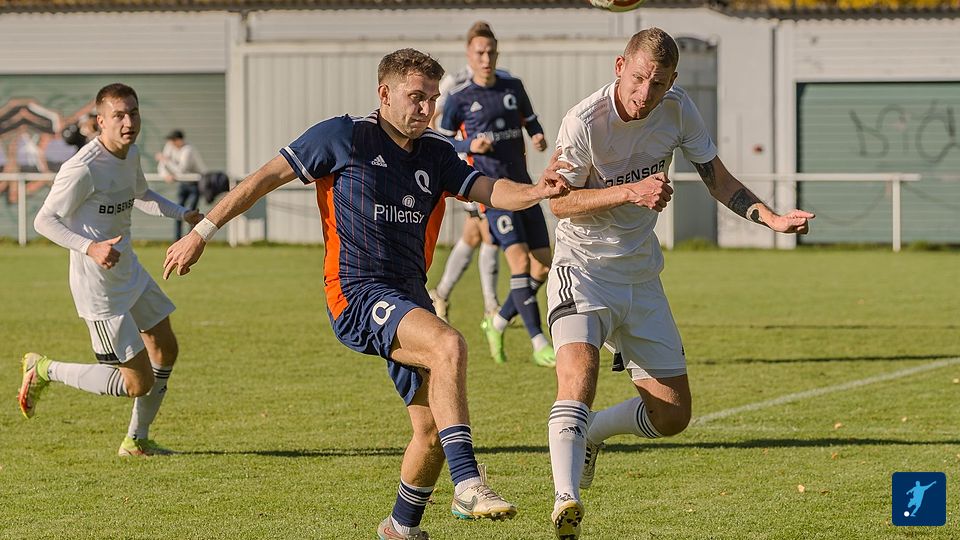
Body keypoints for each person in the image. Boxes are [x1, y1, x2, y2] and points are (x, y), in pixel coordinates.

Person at [161, 48, 567, 540]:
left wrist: (538, 191)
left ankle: (400, 527)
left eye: (432, 99)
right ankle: (468, 483)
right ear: (384, 93)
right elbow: (264, 178)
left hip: (409, 296)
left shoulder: (436, 151)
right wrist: (201, 232)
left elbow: (490, 189)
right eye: (416, 97)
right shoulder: (344, 135)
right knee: (449, 345)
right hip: (356, 292)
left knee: (431, 430)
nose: (426, 109)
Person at [544, 28, 815, 539]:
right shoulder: (584, 121)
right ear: (620, 66)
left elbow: (719, 180)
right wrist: (630, 192)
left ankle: (592, 432)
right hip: (582, 268)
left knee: (672, 415)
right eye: (639, 78)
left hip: (640, 275)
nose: (645, 93)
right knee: (579, 374)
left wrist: (771, 218)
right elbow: (559, 202)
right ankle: (566, 499)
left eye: (658, 83)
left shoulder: (678, 108)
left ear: (672, 81)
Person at [19, 83, 202, 457]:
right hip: (99, 289)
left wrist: (183, 214)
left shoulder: (131, 153)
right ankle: (44, 369)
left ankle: (136, 441)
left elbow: (142, 196)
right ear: (100, 121)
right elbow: (43, 220)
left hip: (129, 271)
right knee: (137, 383)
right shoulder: (82, 168)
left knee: (165, 347)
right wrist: (91, 247)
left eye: (133, 113)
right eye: (118, 115)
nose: (128, 122)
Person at [437, 22, 555, 368]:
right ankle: (538, 342)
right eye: (480, 53)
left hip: (525, 187)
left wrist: (538, 136)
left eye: (490, 52)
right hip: (492, 193)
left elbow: (531, 121)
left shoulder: (512, 87)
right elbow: (441, 142)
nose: (486, 59)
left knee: (542, 266)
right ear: (469, 54)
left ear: (497, 52)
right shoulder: (458, 98)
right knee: (519, 263)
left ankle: (499, 321)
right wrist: (468, 145)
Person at [156, 129, 207, 240]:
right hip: (183, 183)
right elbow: (161, 166)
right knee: (178, 211)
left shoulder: (188, 150)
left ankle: (191, 239)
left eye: (173, 140)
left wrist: (165, 160)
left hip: (195, 183)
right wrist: (165, 175)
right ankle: (177, 240)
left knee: (192, 213)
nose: (171, 143)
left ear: (179, 140)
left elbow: (181, 170)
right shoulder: (169, 146)